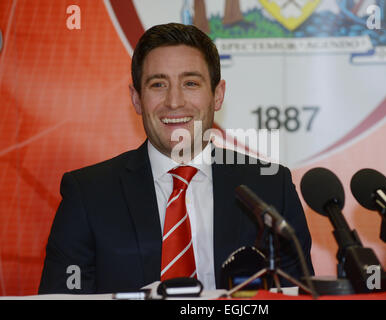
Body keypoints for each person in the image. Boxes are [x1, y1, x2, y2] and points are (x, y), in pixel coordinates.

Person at [38, 23, 314, 294]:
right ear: (136, 98)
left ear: (217, 95)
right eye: (158, 84)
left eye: (190, 83)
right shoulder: (88, 193)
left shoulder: (269, 186)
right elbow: (62, 297)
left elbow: (296, 292)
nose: (174, 101)